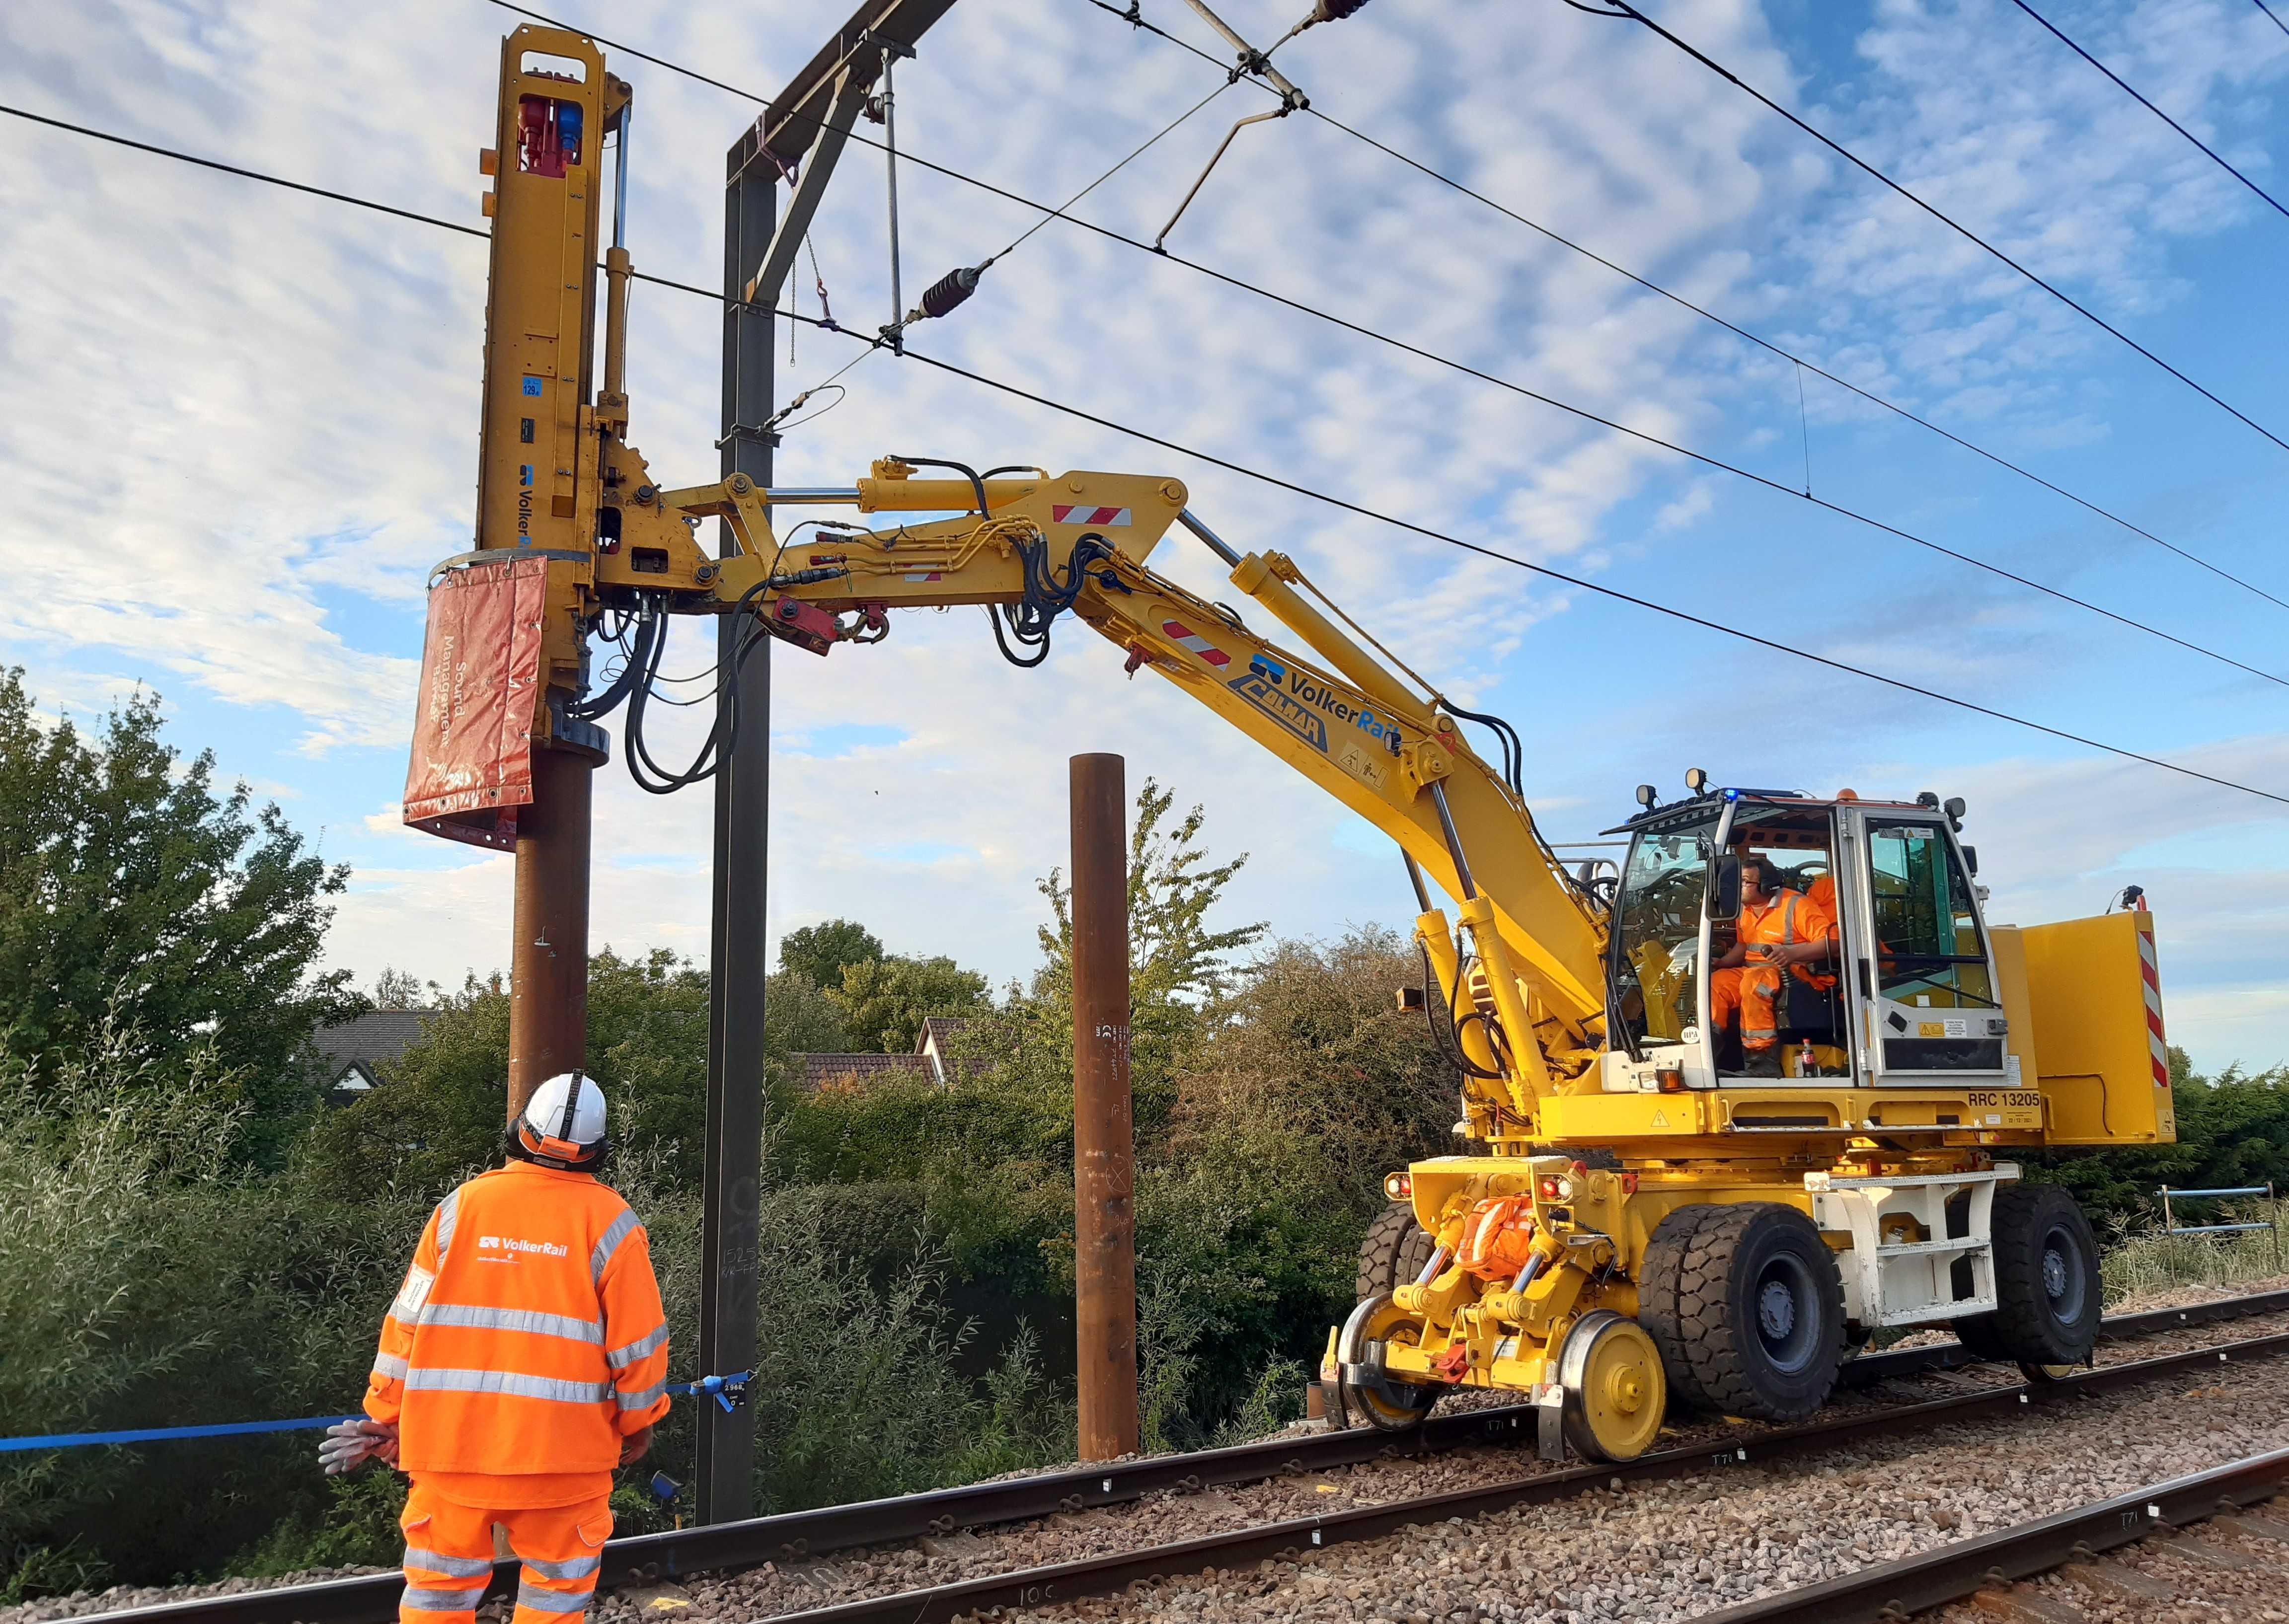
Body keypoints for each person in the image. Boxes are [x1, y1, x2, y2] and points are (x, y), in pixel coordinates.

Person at [320, 1072, 670, 1624]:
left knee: (437, 1596)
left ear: (519, 1133)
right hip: (564, 1461)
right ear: (597, 1153)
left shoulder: (461, 1209)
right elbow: (640, 1348)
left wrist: (384, 1416)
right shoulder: (613, 1225)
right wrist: (639, 1422)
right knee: (555, 1601)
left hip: (451, 1451)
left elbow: (405, 1324)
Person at [1710, 853, 1835, 1075]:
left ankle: (1761, 1062)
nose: (1739, 887)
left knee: (1754, 983)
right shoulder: (1744, 911)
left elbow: (1832, 943)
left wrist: (1791, 954)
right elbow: (1743, 946)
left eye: (1746, 882)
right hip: (1753, 970)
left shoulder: (1796, 905)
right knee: (1716, 983)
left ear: (1767, 886)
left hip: (1796, 972)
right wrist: (1721, 963)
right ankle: (1711, 1050)